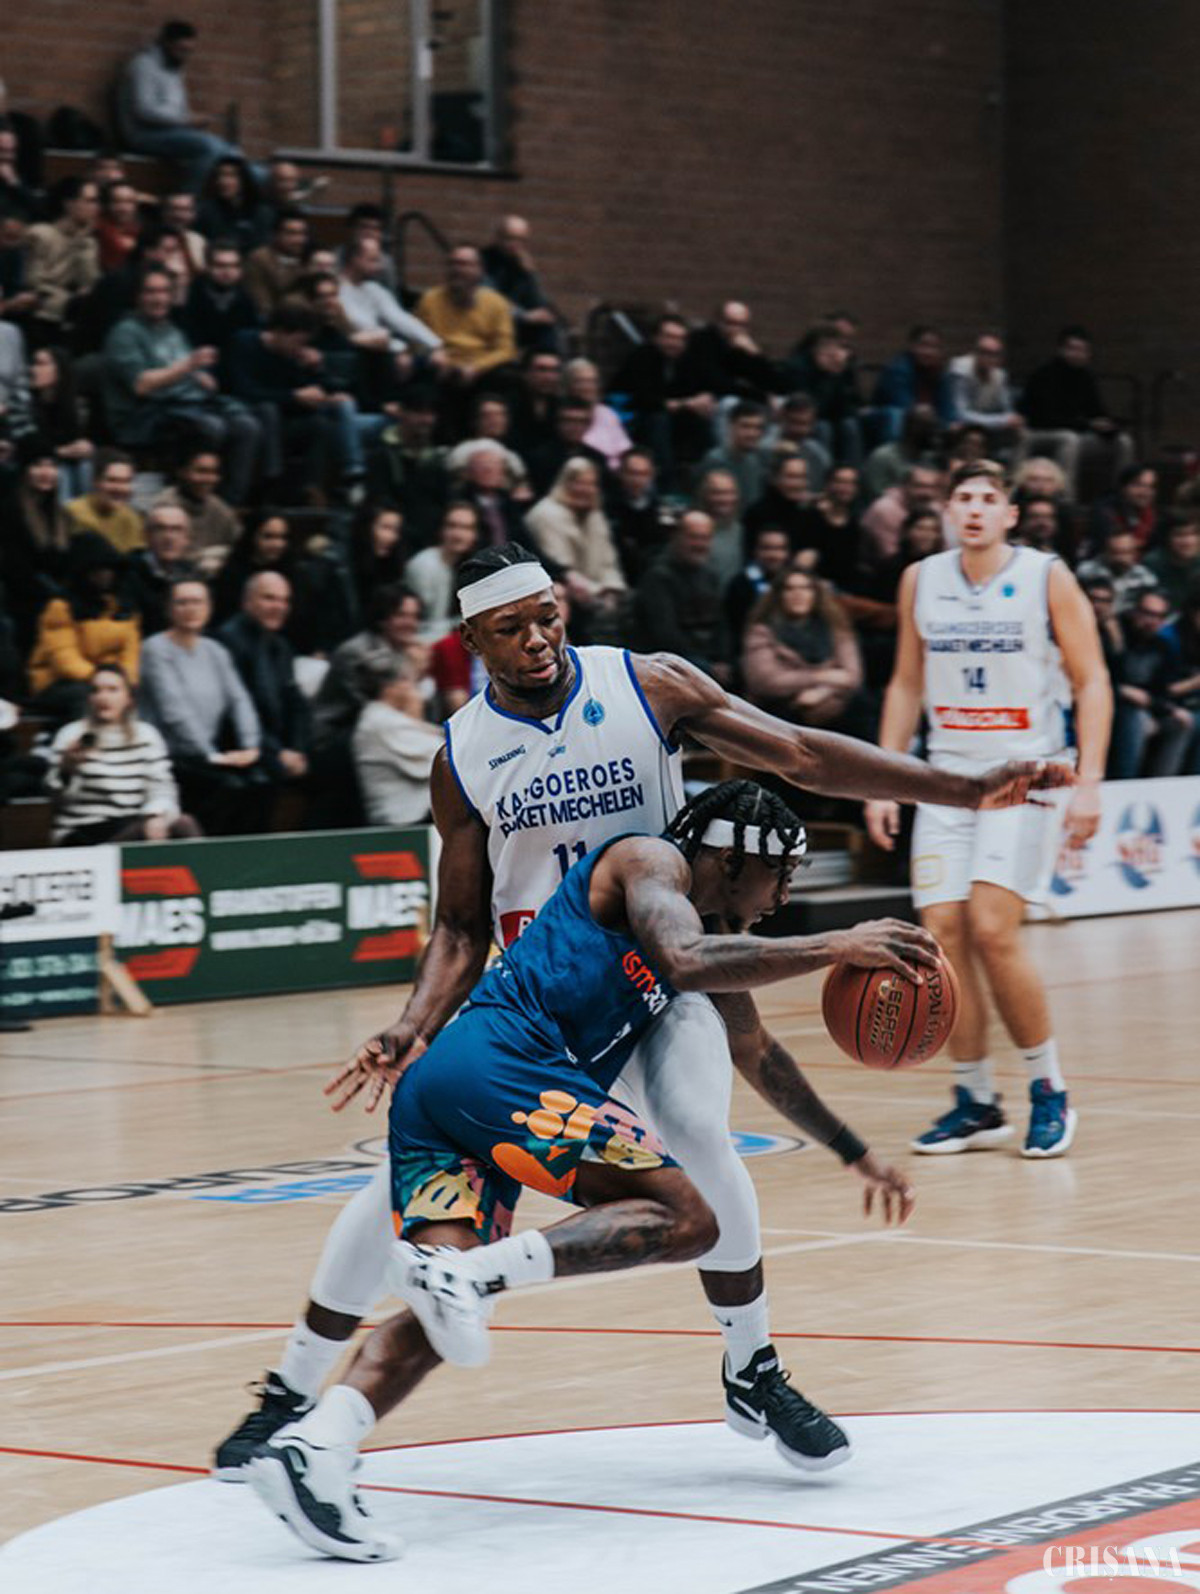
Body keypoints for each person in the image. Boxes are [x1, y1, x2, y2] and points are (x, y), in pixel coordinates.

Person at [213, 543, 1070, 1480]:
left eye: (548, 615)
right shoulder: (461, 754)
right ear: (472, 640)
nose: (538, 638)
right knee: (392, 1194)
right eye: (511, 627)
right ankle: (291, 1393)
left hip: (664, 974)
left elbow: (800, 753)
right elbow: (458, 925)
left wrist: (961, 789)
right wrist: (411, 1026)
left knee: (700, 1131)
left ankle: (752, 1368)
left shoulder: (645, 685)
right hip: (543, 998)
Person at [243, 779, 936, 1560]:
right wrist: (836, 946)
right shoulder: (650, 863)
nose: (783, 897)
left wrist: (855, 1152)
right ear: (734, 860)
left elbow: (760, 1055)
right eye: (781, 876)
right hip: (504, 1070)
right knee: (690, 1217)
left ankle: (315, 1450)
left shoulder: (705, 936)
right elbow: (683, 957)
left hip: (444, 1092)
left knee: (443, 1313)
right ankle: (465, 1278)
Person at [866, 460, 1111, 1158]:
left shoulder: (1045, 576)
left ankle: (1048, 1088)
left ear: (1010, 514)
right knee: (942, 933)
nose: (975, 508)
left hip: (1026, 774)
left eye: (989, 498)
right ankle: (975, 1101)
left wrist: (1090, 781)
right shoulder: (921, 579)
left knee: (993, 927)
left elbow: (1093, 680)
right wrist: (882, 778)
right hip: (946, 779)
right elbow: (905, 684)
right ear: (948, 511)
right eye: (963, 498)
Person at [103, 265, 262, 507]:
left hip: (186, 404)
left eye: (164, 291)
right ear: (137, 296)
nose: (159, 298)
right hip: (144, 414)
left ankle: (229, 504)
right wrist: (188, 366)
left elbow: (185, 370)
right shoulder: (125, 332)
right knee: (212, 427)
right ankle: (189, 499)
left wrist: (200, 377)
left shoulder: (172, 330)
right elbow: (141, 385)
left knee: (247, 426)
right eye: (151, 292)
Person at [139, 576, 266, 833]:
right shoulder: (155, 649)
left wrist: (250, 746)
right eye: (182, 602)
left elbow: (239, 700)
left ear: (209, 607)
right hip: (171, 756)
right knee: (230, 788)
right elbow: (174, 711)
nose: (191, 609)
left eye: (198, 602)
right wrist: (211, 755)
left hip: (209, 755)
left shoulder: (215, 650)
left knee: (263, 781)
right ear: (169, 609)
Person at [45, 663, 201, 844]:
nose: (103, 697)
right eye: (96, 691)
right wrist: (67, 769)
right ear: (89, 698)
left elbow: (162, 788)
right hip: (84, 829)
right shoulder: (71, 734)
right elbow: (56, 800)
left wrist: (155, 815)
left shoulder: (146, 735)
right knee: (141, 831)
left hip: (132, 823)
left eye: (112, 690)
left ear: (129, 698)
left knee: (184, 823)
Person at [27, 532, 141, 723]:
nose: (105, 575)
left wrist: (124, 680)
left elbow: (131, 654)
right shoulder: (60, 607)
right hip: (59, 682)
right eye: (98, 570)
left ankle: (135, 737)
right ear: (83, 572)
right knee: (88, 695)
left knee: (134, 690)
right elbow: (64, 660)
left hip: (110, 678)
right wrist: (101, 680)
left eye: (109, 569)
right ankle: (86, 738)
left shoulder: (124, 606)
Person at [116, 20, 241, 192]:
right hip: (144, 135)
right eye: (180, 50)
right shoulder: (143, 66)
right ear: (166, 43)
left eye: (189, 51)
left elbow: (179, 109)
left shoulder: (175, 69)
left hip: (172, 132)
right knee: (209, 147)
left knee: (231, 152)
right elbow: (144, 110)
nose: (184, 56)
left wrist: (193, 120)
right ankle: (187, 196)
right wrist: (186, 120)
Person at [741, 568, 869, 734]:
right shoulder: (761, 631)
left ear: (816, 594)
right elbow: (765, 681)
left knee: (860, 705)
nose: (798, 594)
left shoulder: (836, 628)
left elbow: (852, 677)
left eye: (806, 588)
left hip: (831, 704)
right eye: (790, 589)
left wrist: (823, 692)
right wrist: (822, 676)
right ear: (779, 595)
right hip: (781, 710)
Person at [216, 570, 311, 785]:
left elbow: (295, 703)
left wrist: (297, 750)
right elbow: (237, 712)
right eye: (269, 598)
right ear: (247, 602)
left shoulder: (281, 646)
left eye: (284, 600)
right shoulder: (229, 642)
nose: (279, 606)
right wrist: (277, 753)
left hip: (276, 746)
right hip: (241, 746)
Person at [1018, 326, 1134, 497]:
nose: (1077, 354)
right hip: (1043, 433)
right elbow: (1046, 418)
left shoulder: (1086, 377)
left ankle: (1123, 496)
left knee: (1123, 441)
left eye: (1083, 350)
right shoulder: (1044, 375)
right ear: (1061, 350)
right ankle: (1066, 498)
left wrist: (1108, 426)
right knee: (1069, 440)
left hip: (1080, 433)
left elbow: (1097, 411)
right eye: (1073, 349)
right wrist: (1088, 424)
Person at [632, 510, 730, 682]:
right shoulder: (657, 577)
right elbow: (665, 634)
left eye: (705, 538)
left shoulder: (710, 576)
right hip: (669, 665)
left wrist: (724, 659)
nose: (700, 544)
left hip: (708, 659)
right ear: (677, 537)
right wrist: (707, 666)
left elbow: (722, 624)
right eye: (694, 537)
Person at [351, 655, 443, 826]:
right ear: (390, 688)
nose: (414, 688)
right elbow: (444, 761)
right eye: (407, 680)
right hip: (406, 821)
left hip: (424, 816)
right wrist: (416, 716)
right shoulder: (379, 721)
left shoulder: (388, 718)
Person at [416, 245, 516, 392]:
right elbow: (416, 340)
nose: (456, 269)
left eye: (464, 264)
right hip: (441, 368)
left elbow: (505, 350)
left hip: (481, 371)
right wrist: (431, 353)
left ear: (479, 271)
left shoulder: (497, 303)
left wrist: (477, 367)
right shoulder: (429, 300)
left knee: (508, 378)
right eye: (452, 263)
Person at [152, 445, 241, 575]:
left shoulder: (220, 509)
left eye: (214, 473)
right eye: (201, 471)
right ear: (182, 472)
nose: (209, 479)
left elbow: (240, 547)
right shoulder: (164, 506)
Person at [480, 214, 560, 353]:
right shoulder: (482, 261)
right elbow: (490, 301)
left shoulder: (520, 264)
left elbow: (538, 302)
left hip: (515, 324)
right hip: (488, 324)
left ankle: (547, 363)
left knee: (548, 325)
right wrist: (525, 316)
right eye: (510, 238)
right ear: (497, 238)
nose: (515, 244)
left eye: (521, 240)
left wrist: (530, 274)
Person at [403, 502, 481, 641]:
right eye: (452, 526)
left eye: (466, 528)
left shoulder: (467, 565)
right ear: (441, 530)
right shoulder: (424, 565)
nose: (458, 534)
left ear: (475, 535)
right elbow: (425, 624)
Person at [126, 501, 197, 635]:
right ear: (146, 535)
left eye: (177, 529)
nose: (169, 537)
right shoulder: (127, 573)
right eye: (160, 529)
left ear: (187, 539)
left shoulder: (193, 575)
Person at [947, 332, 1024, 455]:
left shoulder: (999, 376)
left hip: (986, 422)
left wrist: (1013, 420)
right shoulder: (960, 370)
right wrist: (1001, 421)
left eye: (994, 354)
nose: (988, 358)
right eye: (984, 352)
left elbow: (1007, 409)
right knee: (968, 434)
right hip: (959, 423)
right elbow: (961, 414)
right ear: (975, 353)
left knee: (1020, 431)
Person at [66, 447, 144, 554]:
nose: (119, 488)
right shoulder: (71, 513)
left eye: (126, 481)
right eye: (112, 480)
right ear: (95, 482)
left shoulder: (133, 519)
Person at [243, 209, 310, 317]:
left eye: (302, 234)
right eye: (291, 233)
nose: (299, 239)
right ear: (276, 234)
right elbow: (262, 304)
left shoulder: (311, 258)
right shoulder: (259, 259)